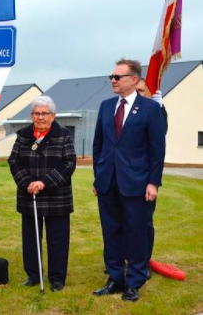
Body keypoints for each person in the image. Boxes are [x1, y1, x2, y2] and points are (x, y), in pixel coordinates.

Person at [93, 59, 166, 302]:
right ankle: (115, 278)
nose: (113, 80)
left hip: (137, 182)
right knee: (111, 231)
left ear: (133, 79)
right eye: (111, 76)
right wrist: (98, 176)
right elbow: (99, 145)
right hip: (108, 181)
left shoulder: (150, 109)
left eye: (118, 77)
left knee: (136, 233)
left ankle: (134, 282)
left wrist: (153, 182)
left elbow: (157, 149)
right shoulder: (105, 107)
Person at [8, 95, 76, 292]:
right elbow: (14, 161)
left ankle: (57, 279)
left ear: (53, 116)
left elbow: (69, 163)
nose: (40, 117)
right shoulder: (22, 135)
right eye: (37, 113)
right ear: (31, 115)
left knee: (58, 240)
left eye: (44, 113)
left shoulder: (63, 135)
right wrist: (28, 182)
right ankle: (33, 275)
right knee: (30, 239)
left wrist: (44, 182)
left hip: (57, 196)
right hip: (29, 195)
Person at [135, 77, 168, 273]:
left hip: (145, 178)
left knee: (144, 222)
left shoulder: (156, 110)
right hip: (125, 177)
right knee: (124, 222)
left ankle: (144, 261)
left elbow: (159, 136)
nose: (137, 94)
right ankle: (126, 258)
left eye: (141, 91)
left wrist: (159, 107)